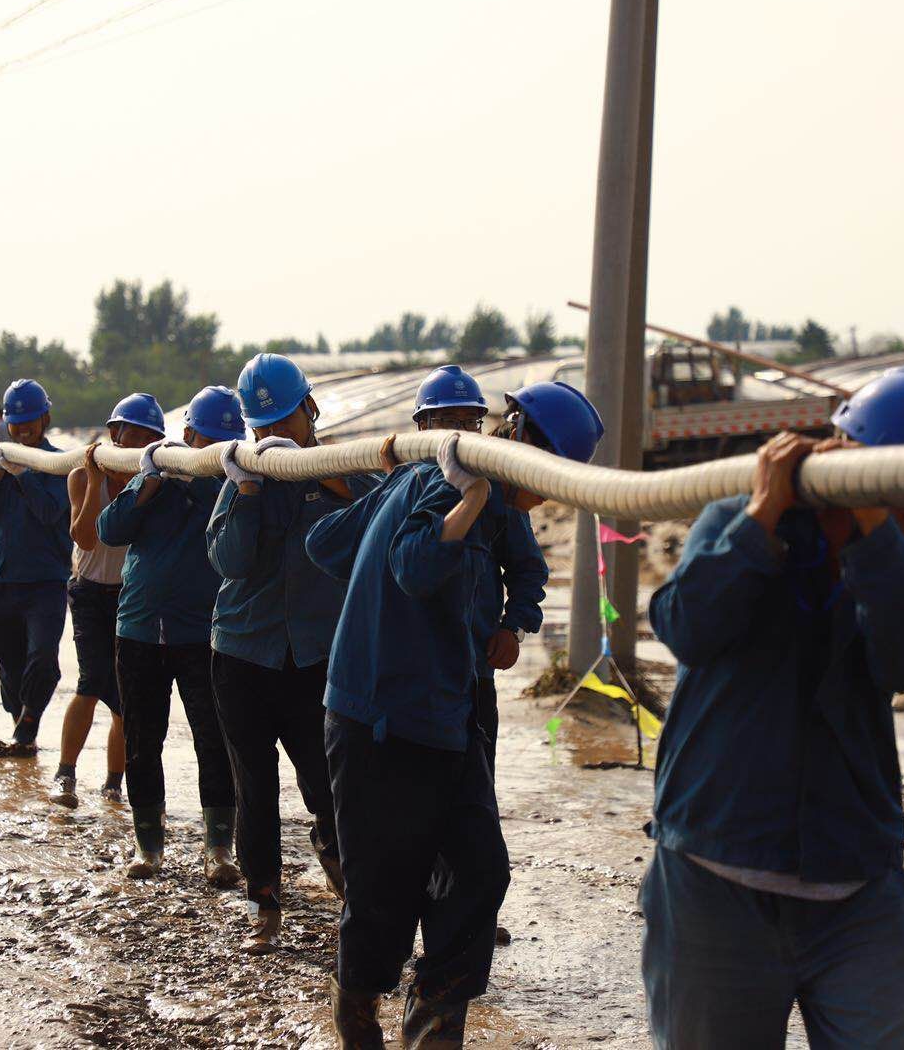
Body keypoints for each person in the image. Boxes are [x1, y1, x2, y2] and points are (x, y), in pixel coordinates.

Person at [641, 367, 904, 1050]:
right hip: (716, 873)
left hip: (856, 883)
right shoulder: (738, 517)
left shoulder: (900, 567)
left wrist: (877, 529)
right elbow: (686, 627)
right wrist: (762, 518)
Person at [307, 380, 604, 1049]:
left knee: (478, 869)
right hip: (378, 716)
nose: (548, 493)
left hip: (450, 709)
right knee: (384, 889)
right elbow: (407, 568)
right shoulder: (449, 485)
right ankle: (356, 1006)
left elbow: (331, 549)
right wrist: (444, 500)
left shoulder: (495, 500)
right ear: (523, 443)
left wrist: (510, 621)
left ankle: (435, 1022)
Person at [206, 353, 380, 954]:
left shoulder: (342, 469)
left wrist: (321, 476)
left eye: (285, 420)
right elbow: (227, 563)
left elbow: (376, 516)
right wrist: (249, 487)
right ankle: (263, 903)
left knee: (328, 779)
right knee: (254, 785)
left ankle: (342, 865)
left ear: (311, 409)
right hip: (243, 656)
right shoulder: (239, 479)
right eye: (263, 427)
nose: (275, 434)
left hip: (316, 658)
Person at [97, 386, 244, 884]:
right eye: (204, 440)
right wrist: (149, 481)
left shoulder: (227, 484)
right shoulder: (151, 479)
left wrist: (209, 476)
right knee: (142, 739)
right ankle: (148, 844)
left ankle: (219, 848)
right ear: (187, 434)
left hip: (202, 633)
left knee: (214, 741)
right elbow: (110, 530)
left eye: (221, 443)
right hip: (138, 628)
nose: (209, 451)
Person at [406, 367, 549, 770]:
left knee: (476, 780)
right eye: (449, 421)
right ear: (422, 426)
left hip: (473, 666)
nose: (462, 432)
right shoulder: (405, 486)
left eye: (471, 421)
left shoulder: (495, 492)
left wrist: (513, 628)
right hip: (410, 671)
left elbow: (528, 570)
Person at [52, 395, 165, 807]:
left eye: (144, 438)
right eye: (127, 434)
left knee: (123, 695)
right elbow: (83, 536)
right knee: (91, 680)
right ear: (113, 434)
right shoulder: (82, 478)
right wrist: (98, 481)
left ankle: (113, 784)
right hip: (87, 590)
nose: (132, 443)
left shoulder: (151, 481)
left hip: (128, 594)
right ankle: (65, 774)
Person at [0, 378, 73, 757]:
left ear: (45, 418)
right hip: (1, 580)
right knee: (9, 668)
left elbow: (49, 512)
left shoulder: (58, 464)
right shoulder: (1, 461)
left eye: (30, 420)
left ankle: (28, 724)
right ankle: (20, 727)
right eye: (16, 422)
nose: (23, 428)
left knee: (42, 658)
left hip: (46, 580)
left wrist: (23, 475)